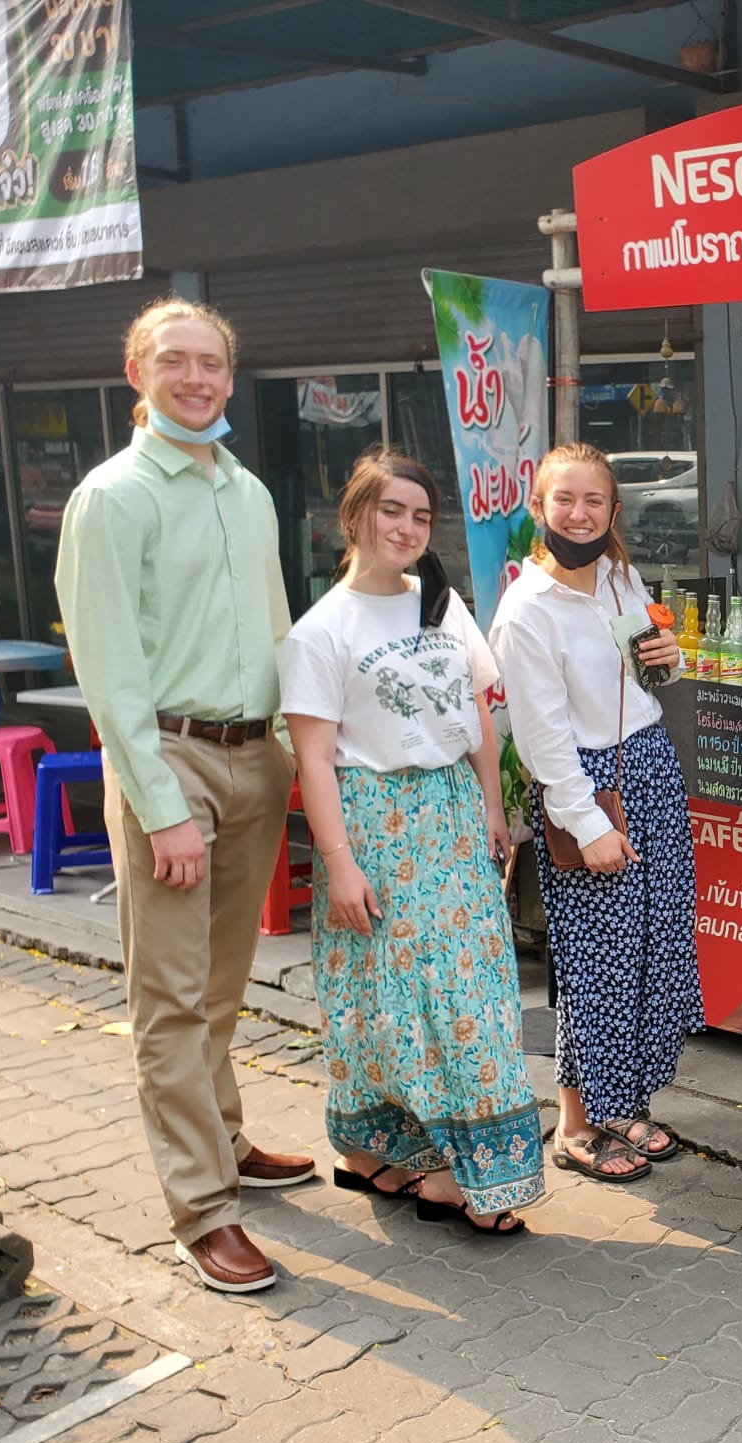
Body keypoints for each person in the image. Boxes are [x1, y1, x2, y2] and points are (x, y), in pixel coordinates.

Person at [54, 296, 313, 1294]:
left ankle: (227, 1139)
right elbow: (108, 667)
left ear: (230, 375)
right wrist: (158, 802)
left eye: (211, 362)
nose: (196, 377)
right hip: (171, 761)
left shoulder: (244, 491)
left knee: (219, 985)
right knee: (167, 994)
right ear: (138, 372)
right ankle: (202, 1211)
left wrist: (294, 748)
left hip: (256, 756)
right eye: (175, 361)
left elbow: (278, 625)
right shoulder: (112, 497)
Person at [278, 449, 544, 1236]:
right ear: (354, 516)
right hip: (373, 825)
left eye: (420, 515)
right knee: (383, 1000)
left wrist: (496, 809)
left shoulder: (440, 603)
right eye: (390, 510)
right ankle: (381, 1152)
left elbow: (478, 715)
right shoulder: (320, 632)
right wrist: (340, 865)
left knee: (473, 998)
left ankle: (471, 1170)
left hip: (453, 816)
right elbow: (316, 760)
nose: (406, 527)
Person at [489, 443, 701, 1184]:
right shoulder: (527, 610)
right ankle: (577, 1125)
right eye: (564, 500)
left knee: (651, 947)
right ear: (538, 509)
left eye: (594, 502)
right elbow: (543, 740)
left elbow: (650, 672)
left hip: (647, 765)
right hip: (586, 790)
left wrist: (667, 656)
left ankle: (627, 1104)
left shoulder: (619, 574)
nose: (579, 515)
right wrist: (589, 826)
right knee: (595, 961)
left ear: (613, 510)